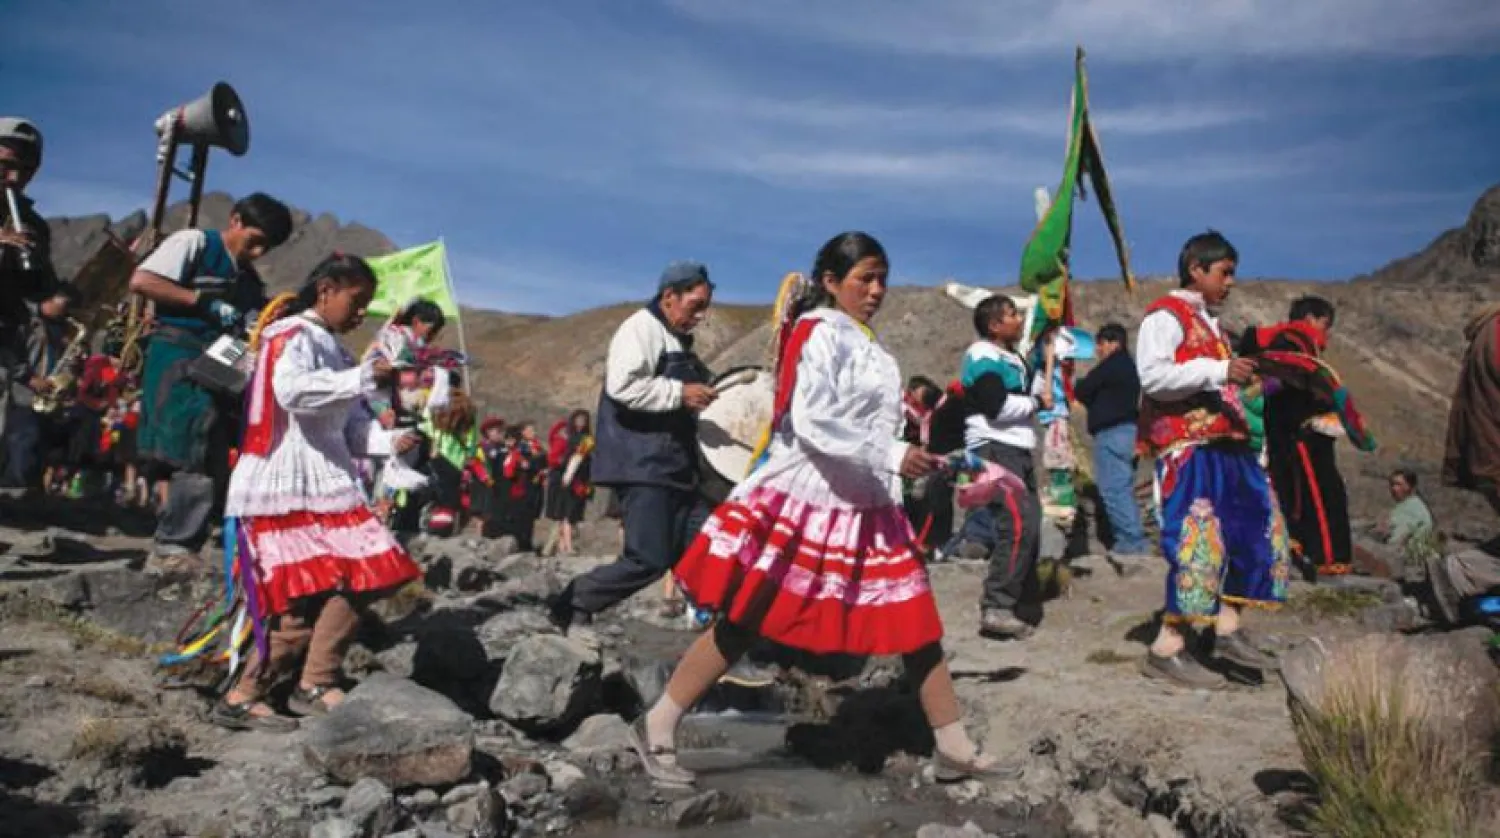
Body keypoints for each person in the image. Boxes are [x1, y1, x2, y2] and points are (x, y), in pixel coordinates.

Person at [635, 232, 1016, 788]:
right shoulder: (818, 333)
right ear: (832, 283)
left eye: (882, 278)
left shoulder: (875, 351)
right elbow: (811, 420)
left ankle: (952, 745)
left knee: (914, 618)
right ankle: (658, 724)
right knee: (747, 613)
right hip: (807, 492)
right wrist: (890, 452)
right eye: (865, 278)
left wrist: (913, 461)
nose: (877, 290)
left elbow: (873, 429)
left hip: (864, 499)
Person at [211, 254, 421, 731]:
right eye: (356, 300)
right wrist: (363, 378)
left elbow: (351, 427)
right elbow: (292, 393)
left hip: (326, 483)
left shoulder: (340, 353)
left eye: (367, 304)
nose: (361, 313)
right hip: (281, 483)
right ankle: (246, 694)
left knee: (372, 573)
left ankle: (315, 680)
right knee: (296, 600)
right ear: (325, 290)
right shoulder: (289, 336)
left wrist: (390, 442)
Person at [1135, 230, 1291, 688]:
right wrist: (1220, 370)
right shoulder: (1165, 317)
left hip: (1230, 446)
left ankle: (1226, 628)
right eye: (1224, 272)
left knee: (1260, 528)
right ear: (1196, 270)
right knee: (1197, 541)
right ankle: (1168, 647)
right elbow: (1154, 377)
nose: (1231, 282)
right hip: (1191, 448)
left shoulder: (1214, 327)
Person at [549, 261, 718, 629]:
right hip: (646, 464)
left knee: (707, 552)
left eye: (705, 308)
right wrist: (680, 392)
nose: (701, 316)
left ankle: (724, 640)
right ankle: (576, 598)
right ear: (670, 297)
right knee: (648, 559)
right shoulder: (641, 329)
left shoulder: (678, 343)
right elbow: (623, 387)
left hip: (678, 468)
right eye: (696, 305)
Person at [129, 193, 293, 564]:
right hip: (178, 350)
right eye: (254, 240)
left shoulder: (249, 279)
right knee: (193, 437)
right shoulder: (195, 243)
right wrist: (201, 301)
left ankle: (199, 533)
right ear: (235, 220)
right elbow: (143, 280)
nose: (257, 252)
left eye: (266, 247)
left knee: (217, 440)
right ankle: (175, 542)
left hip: (223, 359)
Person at [1241, 296, 1353, 578]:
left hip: (1285, 433)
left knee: (1296, 493)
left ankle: (1303, 549)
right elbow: (1298, 385)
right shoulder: (1295, 343)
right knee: (1321, 493)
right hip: (1302, 434)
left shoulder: (1282, 344)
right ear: (1310, 319)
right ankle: (1327, 558)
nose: (1326, 334)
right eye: (1325, 325)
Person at [959, 294, 1045, 640]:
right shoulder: (983, 356)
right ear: (994, 325)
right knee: (1018, 524)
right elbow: (996, 406)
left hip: (1018, 450)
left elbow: (1028, 398)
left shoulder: (1015, 359)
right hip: (995, 448)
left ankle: (1018, 598)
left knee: (1031, 524)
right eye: (1011, 314)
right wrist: (1036, 402)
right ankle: (997, 605)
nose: (1018, 318)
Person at [0, 118, 59, 456]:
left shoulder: (32, 223)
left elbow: (35, 293)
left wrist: (50, 294)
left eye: (25, 171)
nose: (15, 179)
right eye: (5, 166)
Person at [1074, 322, 1152, 570]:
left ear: (1112, 343)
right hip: (1128, 432)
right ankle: (1133, 538)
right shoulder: (1129, 367)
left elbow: (1084, 389)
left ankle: (1131, 542)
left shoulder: (1112, 366)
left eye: (1101, 344)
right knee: (1123, 487)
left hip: (1113, 433)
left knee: (1113, 489)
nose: (1098, 350)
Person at [3, 283, 80, 488]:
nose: (68, 311)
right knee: (23, 440)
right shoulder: (26, 321)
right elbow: (8, 351)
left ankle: (32, 492)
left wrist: (73, 368)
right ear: (52, 298)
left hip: (50, 397)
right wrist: (29, 377)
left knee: (41, 446)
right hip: (25, 393)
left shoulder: (63, 328)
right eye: (66, 304)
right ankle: (15, 489)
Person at [542, 409, 595, 556]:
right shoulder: (568, 438)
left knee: (570, 514)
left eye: (583, 420)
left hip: (580, 479)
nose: (581, 423)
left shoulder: (587, 439)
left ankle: (561, 545)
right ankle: (566, 546)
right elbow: (562, 458)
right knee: (567, 514)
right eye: (578, 420)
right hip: (567, 479)